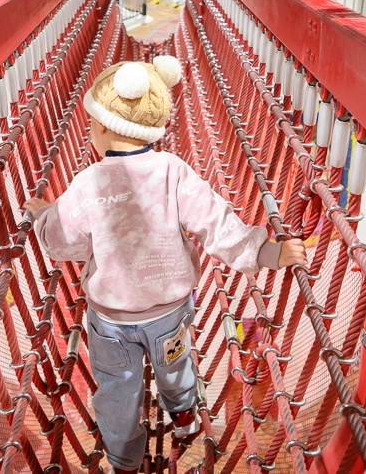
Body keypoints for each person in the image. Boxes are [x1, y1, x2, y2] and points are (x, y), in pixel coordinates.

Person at [23, 56, 306, 474]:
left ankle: (122, 458)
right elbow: (215, 222)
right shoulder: (174, 171)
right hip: (169, 315)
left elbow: (61, 242)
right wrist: (266, 252)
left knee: (117, 388)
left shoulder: (89, 183)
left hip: (111, 321)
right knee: (175, 365)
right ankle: (186, 414)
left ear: (100, 127)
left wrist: (44, 214)